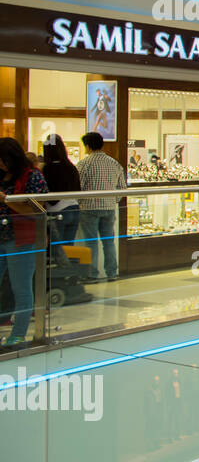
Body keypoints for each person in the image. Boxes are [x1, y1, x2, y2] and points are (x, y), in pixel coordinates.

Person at [0, 138, 48, 347]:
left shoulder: (32, 177)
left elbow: (38, 210)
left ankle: (18, 334)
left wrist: (6, 201)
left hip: (22, 239)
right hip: (3, 237)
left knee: (21, 287)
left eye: (3, 160)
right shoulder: (2, 176)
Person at [76, 131, 125, 282]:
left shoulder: (84, 164)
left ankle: (92, 274)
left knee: (91, 242)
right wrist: (113, 200)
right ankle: (112, 273)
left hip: (89, 208)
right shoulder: (114, 163)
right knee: (108, 241)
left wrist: (80, 202)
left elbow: (79, 187)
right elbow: (122, 187)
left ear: (88, 146)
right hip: (109, 207)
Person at [40, 135, 81, 266]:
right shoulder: (71, 167)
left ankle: (59, 278)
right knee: (68, 248)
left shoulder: (48, 169)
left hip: (57, 212)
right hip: (74, 209)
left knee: (57, 250)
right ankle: (70, 276)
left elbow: (48, 193)